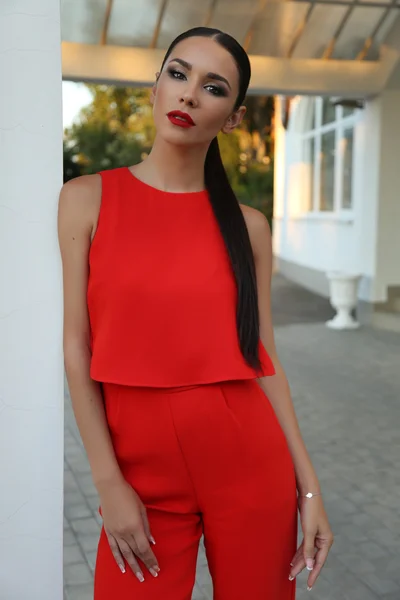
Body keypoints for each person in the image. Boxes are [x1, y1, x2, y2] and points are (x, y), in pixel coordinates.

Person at [58, 26, 333, 600]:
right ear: (155, 85)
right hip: (139, 474)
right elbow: (77, 348)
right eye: (178, 74)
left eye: (213, 87)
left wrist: (309, 489)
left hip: (250, 468)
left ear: (232, 117)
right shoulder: (86, 198)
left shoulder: (250, 227)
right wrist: (107, 484)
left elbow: (266, 361)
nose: (188, 95)